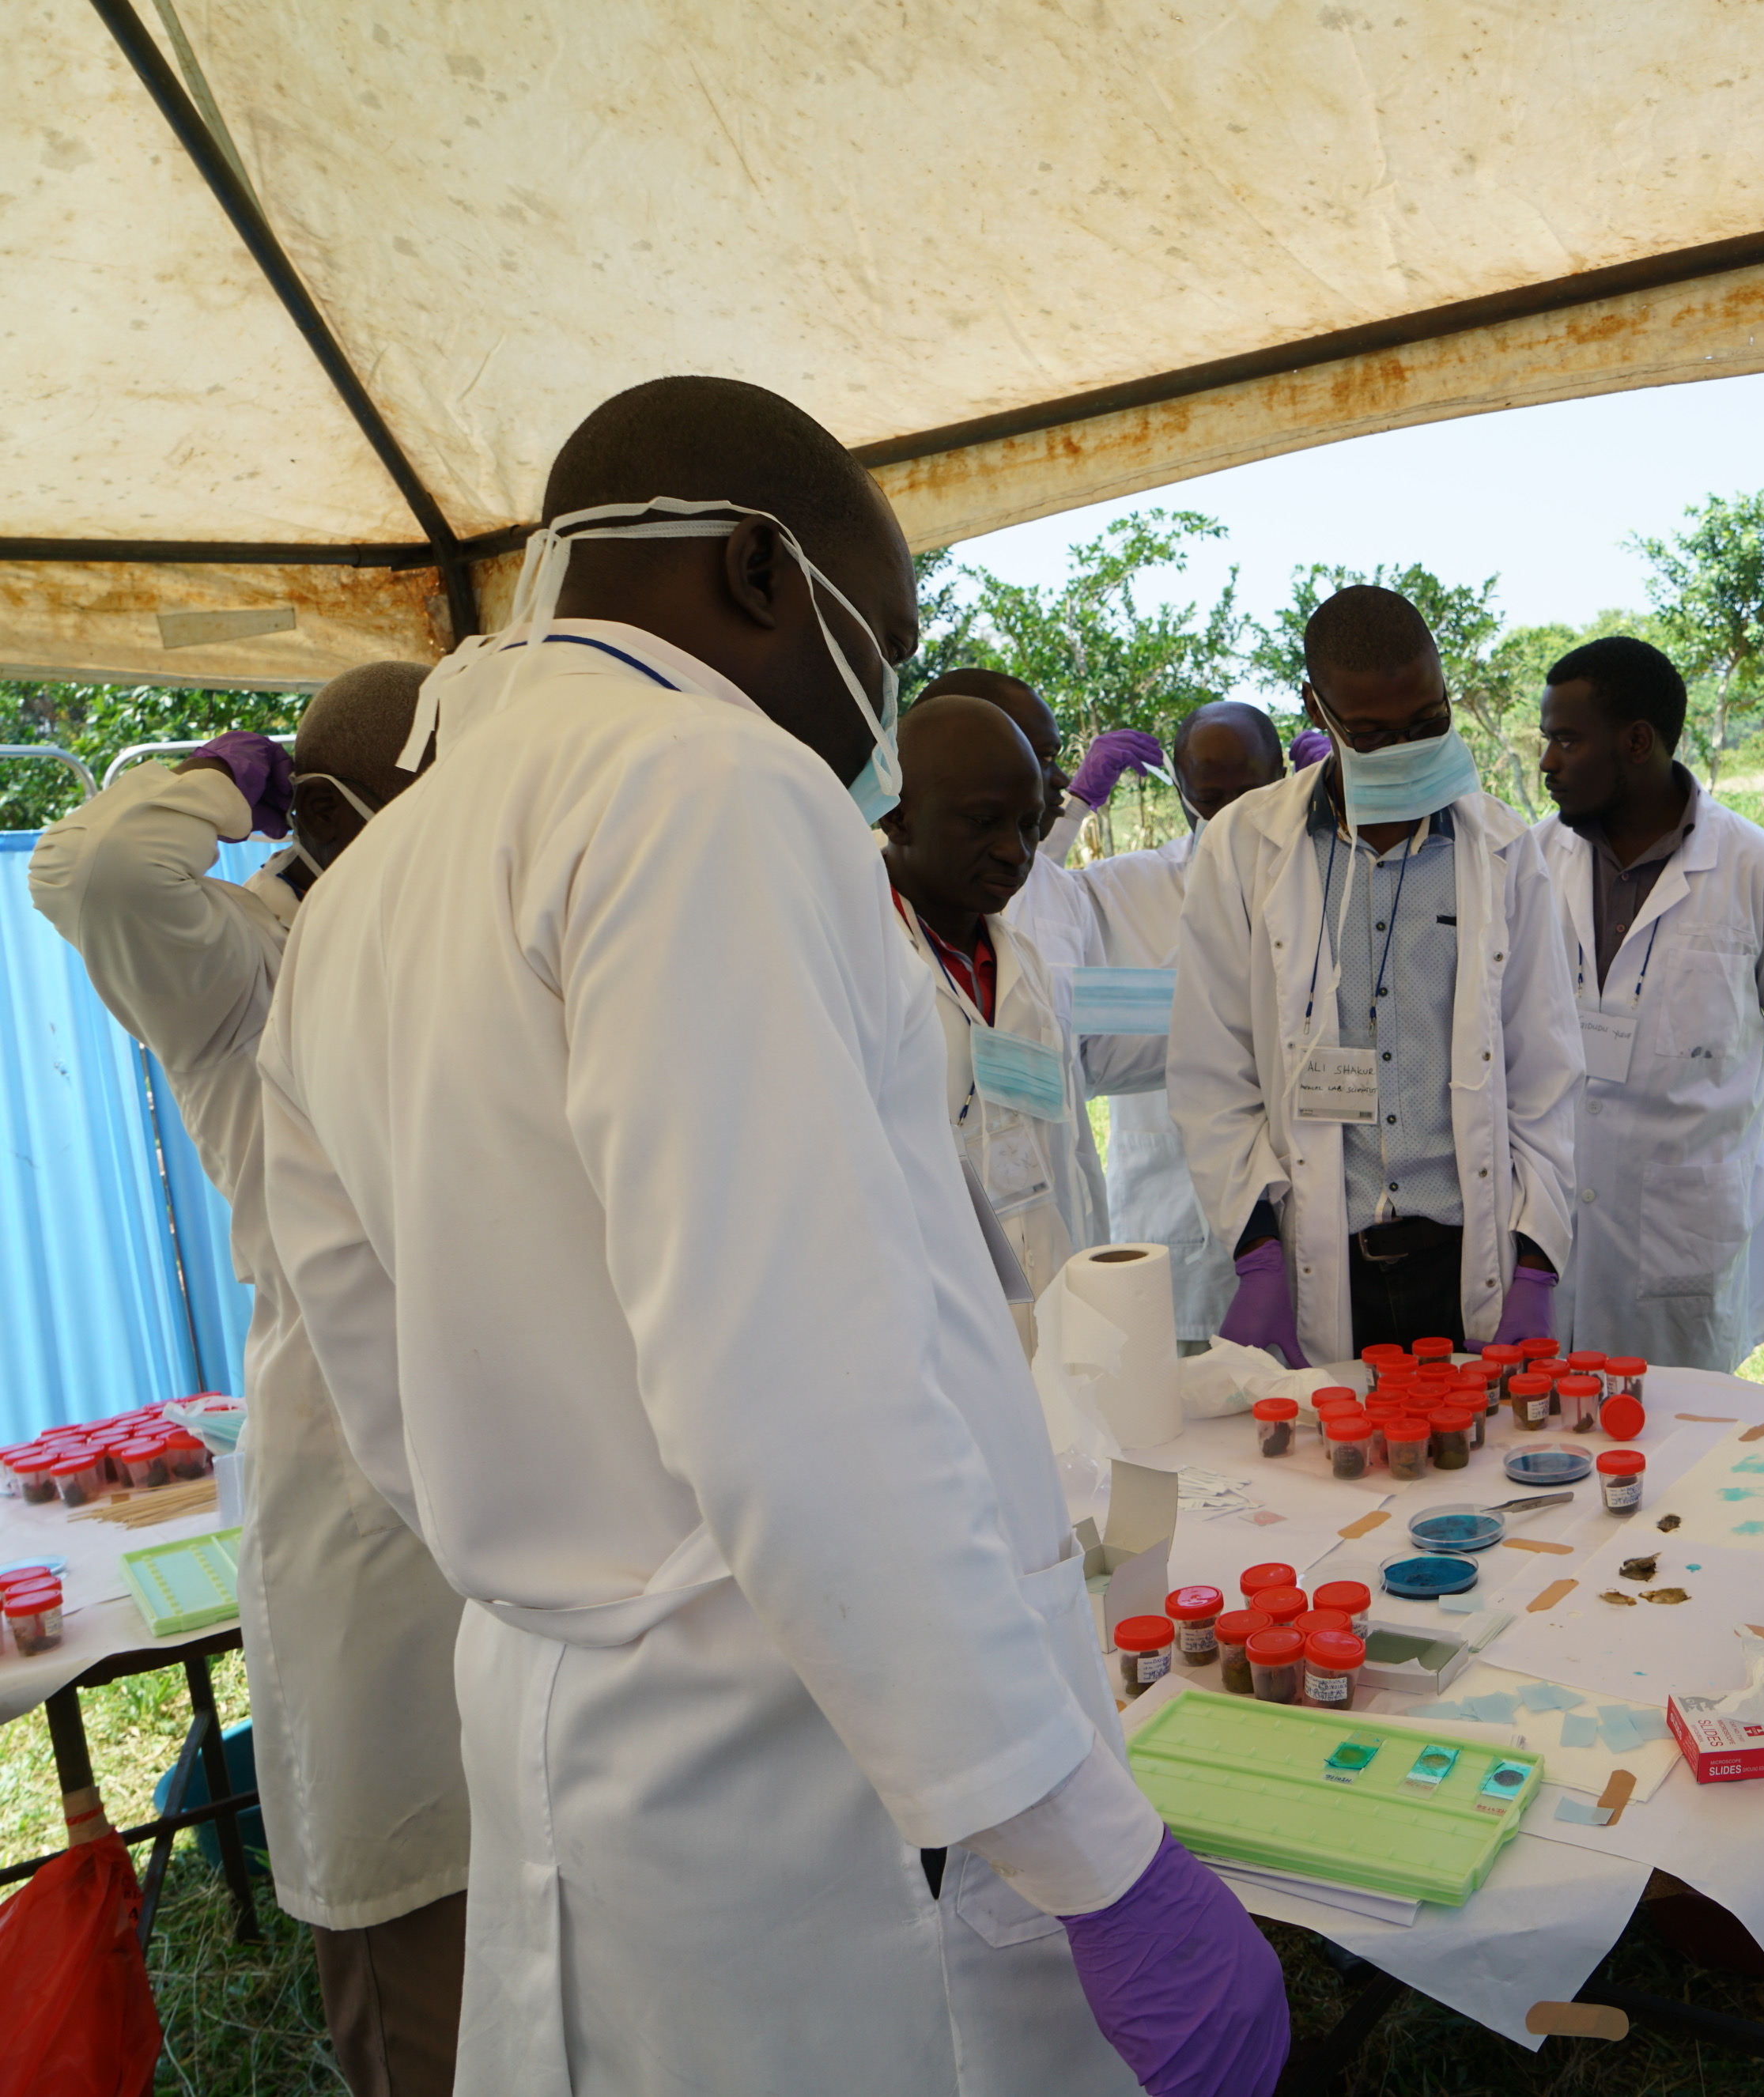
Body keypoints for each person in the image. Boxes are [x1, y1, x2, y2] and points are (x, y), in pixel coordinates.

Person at [257, 376, 1285, 2097]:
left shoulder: (368, 889)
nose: (878, 701)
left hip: (569, 1736)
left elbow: (385, 1399)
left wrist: (594, 1572)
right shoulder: (704, 782)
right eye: (881, 637)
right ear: (754, 572)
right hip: (813, 1779)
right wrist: (1100, 1861)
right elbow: (797, 1397)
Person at [31, 668, 470, 2097]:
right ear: (338, 813)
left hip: (502, 1453)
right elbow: (97, 864)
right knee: (419, 1923)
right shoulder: (238, 957)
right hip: (352, 1476)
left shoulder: (451, 936)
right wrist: (240, 776)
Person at [1169, 584, 1580, 1364]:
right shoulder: (1242, 848)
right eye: (1372, 732)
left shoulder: (1499, 848)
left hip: (1468, 1255)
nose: (1406, 750)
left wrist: (1534, 1261)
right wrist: (1256, 1254)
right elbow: (1211, 1075)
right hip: (1318, 1259)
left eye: (1428, 723)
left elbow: (1546, 1074)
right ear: (1316, 711)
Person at [1529, 636, 1764, 1371]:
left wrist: (1709, 1122)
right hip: (1552, 1216)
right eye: (1546, 741)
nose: (1547, 764)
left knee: (1683, 1443)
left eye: (1567, 740)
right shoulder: (1531, 861)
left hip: (1684, 1219)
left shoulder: (1759, 868)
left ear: (1637, 742)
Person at [881, 690, 1161, 1323]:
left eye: (1030, 825)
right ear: (896, 814)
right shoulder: (853, 956)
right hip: (921, 1329)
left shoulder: (1020, 964)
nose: (1016, 851)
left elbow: (1065, 1164)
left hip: (1049, 1312)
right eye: (983, 822)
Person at [1067, 701, 1291, 1346]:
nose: (1226, 814)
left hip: (1298, 1228)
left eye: (1247, 791)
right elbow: (1018, 902)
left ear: (1280, 777)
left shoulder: (1323, 878)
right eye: (1206, 794)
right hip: (1169, 1219)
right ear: (1180, 786)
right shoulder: (1125, 887)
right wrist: (1075, 807)